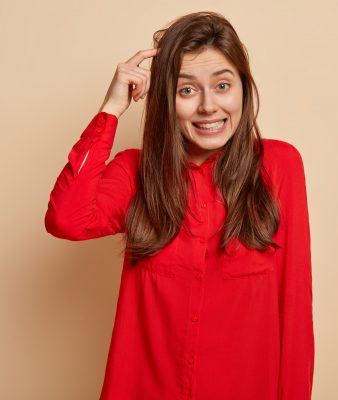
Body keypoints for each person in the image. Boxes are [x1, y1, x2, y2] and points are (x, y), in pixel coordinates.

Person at [44, 11, 314, 400]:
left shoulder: (279, 166)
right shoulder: (136, 172)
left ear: (243, 89)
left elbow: (295, 311)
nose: (208, 106)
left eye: (223, 85)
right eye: (187, 90)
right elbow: (66, 220)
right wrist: (110, 109)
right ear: (166, 99)